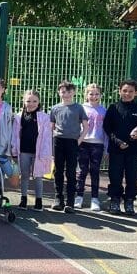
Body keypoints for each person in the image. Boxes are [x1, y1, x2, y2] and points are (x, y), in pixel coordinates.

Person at [103, 79, 137, 215]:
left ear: (136, 93)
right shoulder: (113, 108)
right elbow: (107, 128)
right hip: (117, 149)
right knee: (115, 176)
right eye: (125, 91)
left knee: (132, 177)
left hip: (134, 151)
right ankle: (115, 200)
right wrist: (117, 142)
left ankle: (129, 201)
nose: (127, 94)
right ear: (120, 91)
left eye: (131, 91)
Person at [50, 81, 88, 214]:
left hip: (72, 142)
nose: (66, 94)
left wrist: (79, 140)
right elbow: (51, 127)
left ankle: (70, 202)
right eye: (63, 92)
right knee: (58, 171)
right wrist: (52, 142)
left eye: (69, 91)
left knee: (71, 172)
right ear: (59, 93)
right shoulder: (55, 108)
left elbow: (86, 126)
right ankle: (58, 199)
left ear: (74, 92)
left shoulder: (79, 108)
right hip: (58, 141)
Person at [11, 90, 52, 211]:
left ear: (39, 102)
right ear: (23, 102)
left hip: (38, 152)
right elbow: (14, 134)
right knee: (24, 175)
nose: (31, 103)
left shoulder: (44, 117)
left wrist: (45, 152)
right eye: (28, 101)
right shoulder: (18, 117)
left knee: (38, 176)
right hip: (23, 151)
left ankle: (39, 201)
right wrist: (14, 149)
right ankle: (23, 200)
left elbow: (46, 137)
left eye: (34, 101)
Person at [75, 83, 108, 211]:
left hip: (97, 144)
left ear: (100, 95)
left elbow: (106, 131)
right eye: (91, 93)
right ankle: (79, 197)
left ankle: (95, 199)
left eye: (96, 94)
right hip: (83, 143)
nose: (94, 96)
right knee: (82, 171)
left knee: (95, 171)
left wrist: (106, 147)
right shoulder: (81, 108)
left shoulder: (103, 110)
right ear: (86, 95)